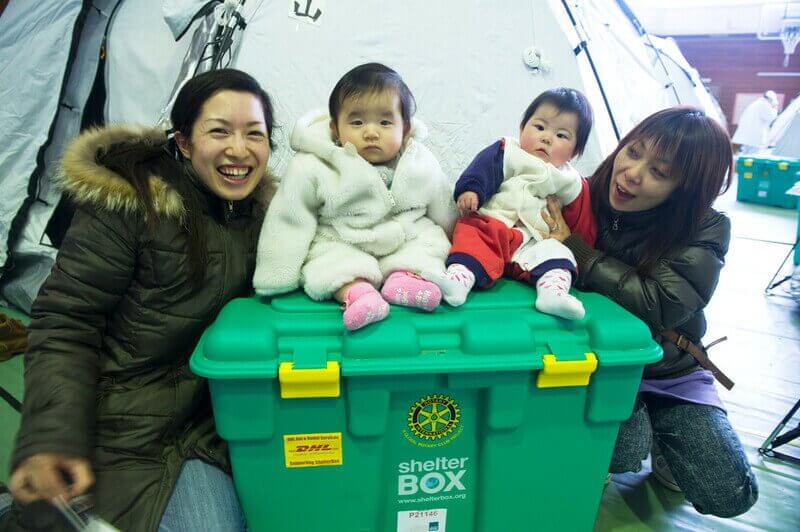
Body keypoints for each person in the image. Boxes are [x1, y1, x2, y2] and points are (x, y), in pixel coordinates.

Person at [3, 68, 276, 531]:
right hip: (123, 429)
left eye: (255, 134)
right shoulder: (132, 204)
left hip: (210, 429)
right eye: (219, 131)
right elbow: (67, 322)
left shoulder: (268, 216)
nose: (239, 149)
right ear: (184, 142)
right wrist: (51, 437)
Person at [544, 107, 759, 517]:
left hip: (670, 369)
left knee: (729, 493)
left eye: (659, 172)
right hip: (602, 366)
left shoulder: (706, 227)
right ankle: (632, 435)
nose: (632, 173)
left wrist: (579, 250)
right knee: (622, 450)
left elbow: (660, 305)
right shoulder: (579, 194)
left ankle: (668, 439)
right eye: (633, 151)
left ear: (686, 190)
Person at [253, 62, 454, 331]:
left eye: (385, 122)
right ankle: (357, 293)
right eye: (357, 122)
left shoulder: (421, 162)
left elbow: (443, 206)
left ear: (405, 129)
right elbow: (290, 217)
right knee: (327, 260)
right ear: (335, 128)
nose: (371, 132)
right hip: (342, 237)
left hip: (404, 235)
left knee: (430, 243)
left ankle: (404, 278)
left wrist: (463, 249)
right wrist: (276, 274)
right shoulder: (313, 165)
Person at [432, 88, 596, 320]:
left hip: (533, 239)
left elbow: (581, 219)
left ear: (575, 151)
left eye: (562, 135)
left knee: (557, 253)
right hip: (493, 225)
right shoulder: (507, 151)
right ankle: (458, 281)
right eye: (539, 127)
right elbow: (482, 169)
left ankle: (553, 293)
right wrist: (471, 190)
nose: (547, 138)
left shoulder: (571, 182)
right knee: (472, 235)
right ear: (521, 128)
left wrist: (576, 243)